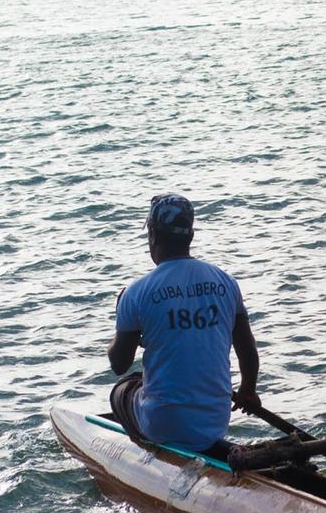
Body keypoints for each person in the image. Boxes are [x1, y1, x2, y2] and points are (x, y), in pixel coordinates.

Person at [107, 194, 260, 460]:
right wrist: (248, 390)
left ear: (152, 236)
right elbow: (247, 349)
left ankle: (144, 458)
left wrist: (120, 314)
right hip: (215, 421)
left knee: (123, 388)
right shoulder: (225, 282)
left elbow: (119, 363)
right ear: (190, 236)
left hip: (163, 425)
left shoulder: (135, 293)